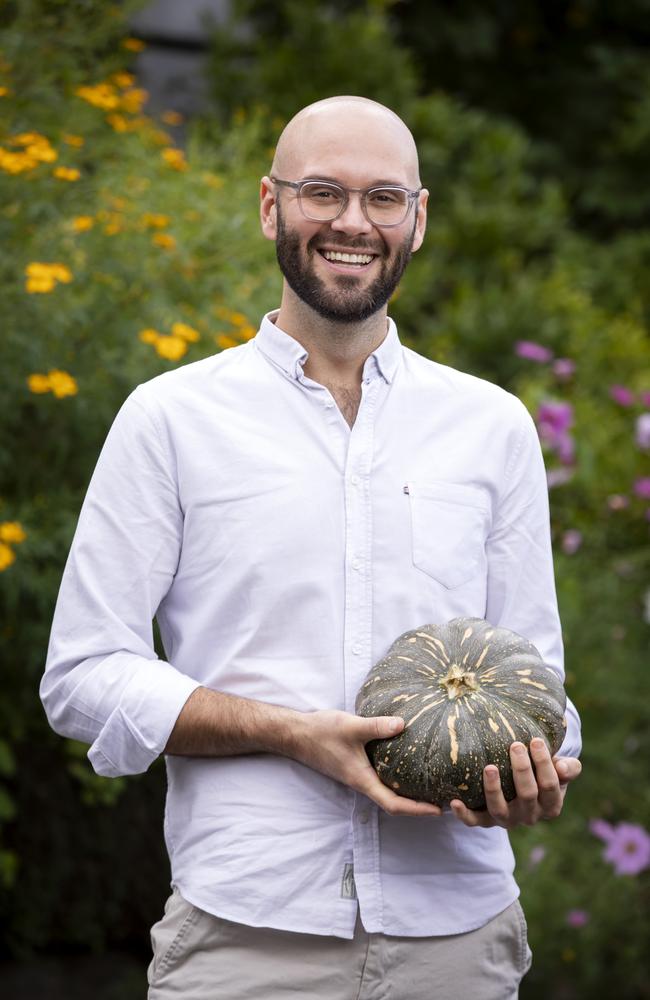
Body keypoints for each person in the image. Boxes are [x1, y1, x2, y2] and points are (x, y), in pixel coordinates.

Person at [41, 95, 582, 1000]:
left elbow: (539, 678)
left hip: (457, 939)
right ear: (269, 206)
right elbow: (83, 676)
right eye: (321, 192)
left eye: (383, 198)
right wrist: (290, 734)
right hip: (248, 938)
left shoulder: (493, 425)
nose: (352, 223)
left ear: (418, 219)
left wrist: (536, 772)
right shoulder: (171, 419)